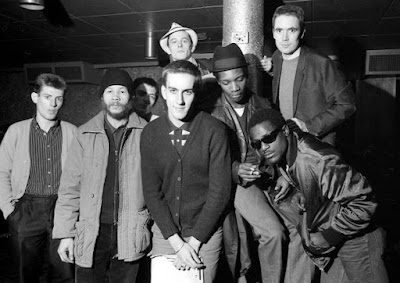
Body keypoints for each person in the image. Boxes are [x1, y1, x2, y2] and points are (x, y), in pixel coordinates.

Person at [248, 108, 389, 283]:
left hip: (358, 241)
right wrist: (306, 194)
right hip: (337, 239)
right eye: (257, 144)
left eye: (268, 138)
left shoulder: (316, 160)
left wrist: (329, 235)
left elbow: (364, 201)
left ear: (285, 130)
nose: (264, 148)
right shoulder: (287, 154)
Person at [52, 68, 151, 283]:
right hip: (91, 233)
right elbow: (70, 188)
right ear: (102, 97)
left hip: (131, 231)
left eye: (122, 91)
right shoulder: (84, 134)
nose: (115, 97)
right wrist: (65, 234)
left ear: (131, 97)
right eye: (109, 91)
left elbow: (157, 187)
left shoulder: (148, 133)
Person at [203, 43, 290, 283]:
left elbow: (283, 144)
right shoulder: (209, 112)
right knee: (273, 233)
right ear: (217, 82)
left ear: (247, 75)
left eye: (239, 79)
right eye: (226, 83)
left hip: (269, 179)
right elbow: (205, 159)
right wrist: (234, 169)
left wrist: (285, 174)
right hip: (238, 183)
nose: (234, 87)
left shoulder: (264, 105)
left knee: (301, 230)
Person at [140, 60, 232, 283]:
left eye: (187, 92)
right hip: (166, 232)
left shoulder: (215, 131)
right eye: (173, 91)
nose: (179, 101)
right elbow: (152, 194)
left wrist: (193, 243)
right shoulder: (150, 133)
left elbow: (219, 193)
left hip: (204, 233)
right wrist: (177, 243)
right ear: (163, 92)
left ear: (196, 93)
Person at [0, 73, 76, 282]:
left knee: (64, 273)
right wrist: (9, 211)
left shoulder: (72, 132)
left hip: (61, 208)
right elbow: (2, 171)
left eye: (58, 98)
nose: (53, 104)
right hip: (26, 209)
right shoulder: (16, 131)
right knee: (26, 273)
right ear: (35, 97)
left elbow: (80, 176)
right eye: (47, 97)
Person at [260, 5, 356, 146]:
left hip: (316, 148)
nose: (284, 38)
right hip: (286, 143)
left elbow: (347, 104)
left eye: (292, 30)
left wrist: (309, 126)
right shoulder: (276, 57)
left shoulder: (322, 63)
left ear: (302, 33)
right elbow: (289, 81)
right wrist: (271, 70)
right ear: (273, 33)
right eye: (279, 30)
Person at [153, 22, 212, 117]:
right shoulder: (162, 83)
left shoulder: (210, 69)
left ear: (192, 46)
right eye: (174, 42)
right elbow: (157, 119)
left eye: (184, 41)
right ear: (168, 49)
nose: (179, 45)